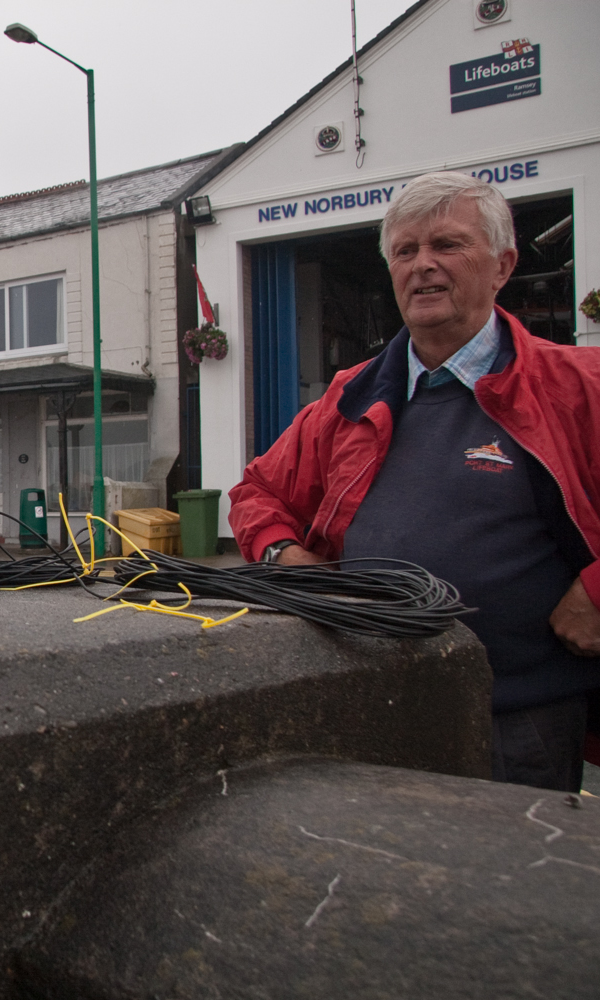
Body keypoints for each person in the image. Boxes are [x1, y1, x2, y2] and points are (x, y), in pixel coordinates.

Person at [228, 171, 600, 792]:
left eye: (447, 246)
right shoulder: (353, 395)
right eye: (405, 251)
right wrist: (286, 557)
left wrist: (595, 590)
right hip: (375, 703)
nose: (422, 266)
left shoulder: (575, 385)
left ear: (503, 265)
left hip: (517, 716)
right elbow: (255, 495)